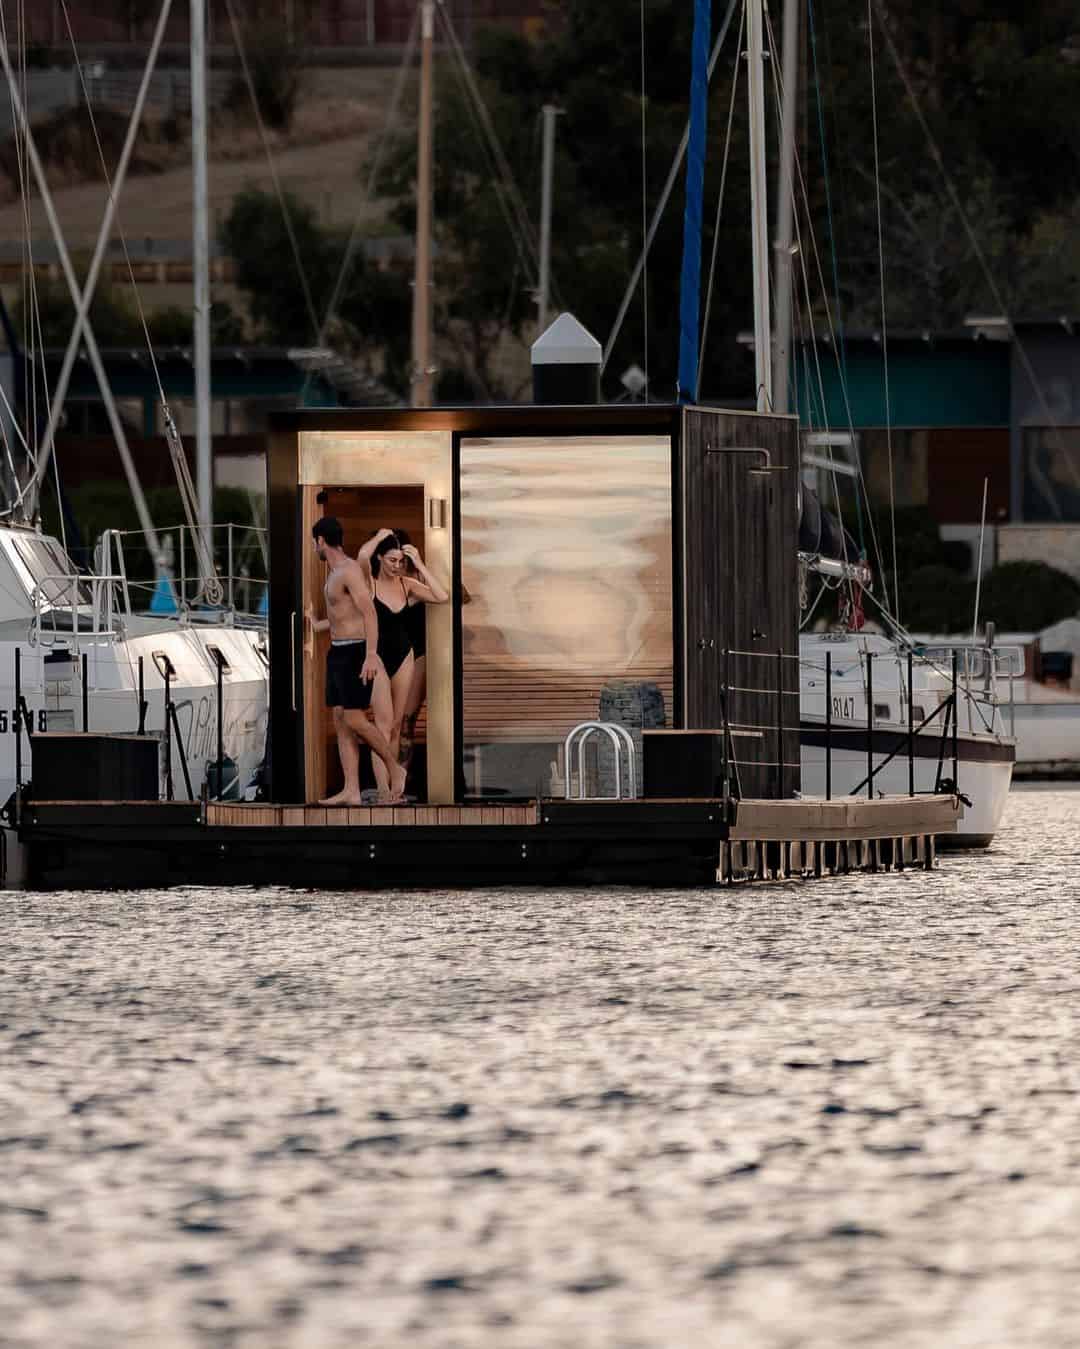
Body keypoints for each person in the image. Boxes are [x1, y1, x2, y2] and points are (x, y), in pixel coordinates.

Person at [307, 516, 406, 804]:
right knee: (341, 719)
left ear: (321, 541)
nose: (314, 547)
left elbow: (369, 613)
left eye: (315, 542)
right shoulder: (334, 572)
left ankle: (394, 767)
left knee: (353, 717)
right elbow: (342, 615)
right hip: (338, 651)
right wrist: (316, 624)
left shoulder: (349, 571)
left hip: (354, 653)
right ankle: (351, 790)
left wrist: (371, 655)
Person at [359, 528, 448, 773]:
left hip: (404, 656)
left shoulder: (406, 584)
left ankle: (394, 786)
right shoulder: (369, 583)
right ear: (380, 558)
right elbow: (362, 556)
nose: (397, 566)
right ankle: (383, 792)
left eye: (400, 561)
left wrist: (418, 561)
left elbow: (441, 596)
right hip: (377, 656)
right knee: (382, 725)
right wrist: (377, 538)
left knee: (397, 725)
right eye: (391, 560)